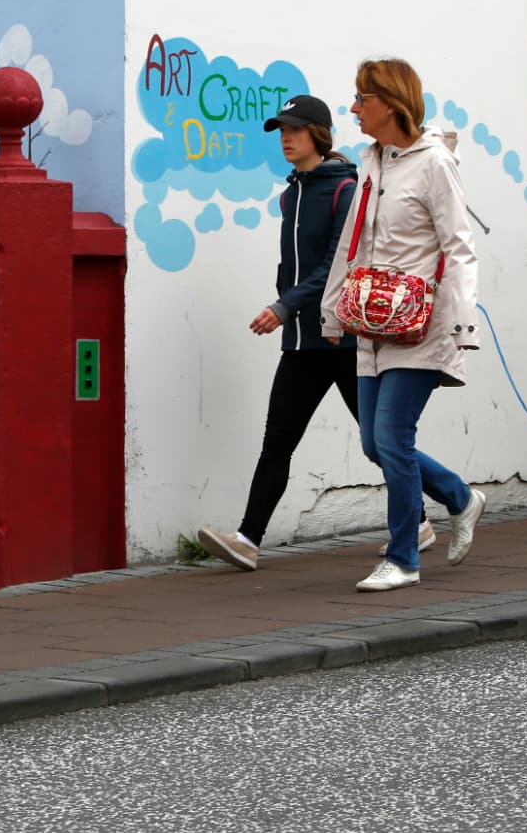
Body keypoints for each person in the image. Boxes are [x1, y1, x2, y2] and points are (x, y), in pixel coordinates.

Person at [196, 96, 433, 572]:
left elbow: (335, 265)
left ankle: (422, 519)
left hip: (344, 340)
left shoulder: (344, 189)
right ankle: (248, 539)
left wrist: (284, 306)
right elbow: (297, 265)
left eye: (296, 129)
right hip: (303, 343)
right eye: (282, 130)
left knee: (380, 441)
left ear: (319, 134)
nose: (286, 137)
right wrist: (288, 307)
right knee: (278, 440)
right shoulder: (292, 193)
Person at [323, 59, 486, 592]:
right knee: (375, 442)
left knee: (393, 436)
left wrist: (463, 324)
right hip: (372, 323)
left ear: (390, 103)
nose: (353, 109)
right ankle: (460, 498)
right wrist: (333, 310)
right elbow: (353, 242)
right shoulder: (371, 161)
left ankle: (403, 558)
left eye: (361, 99)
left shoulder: (434, 163)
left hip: (422, 325)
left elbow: (459, 247)